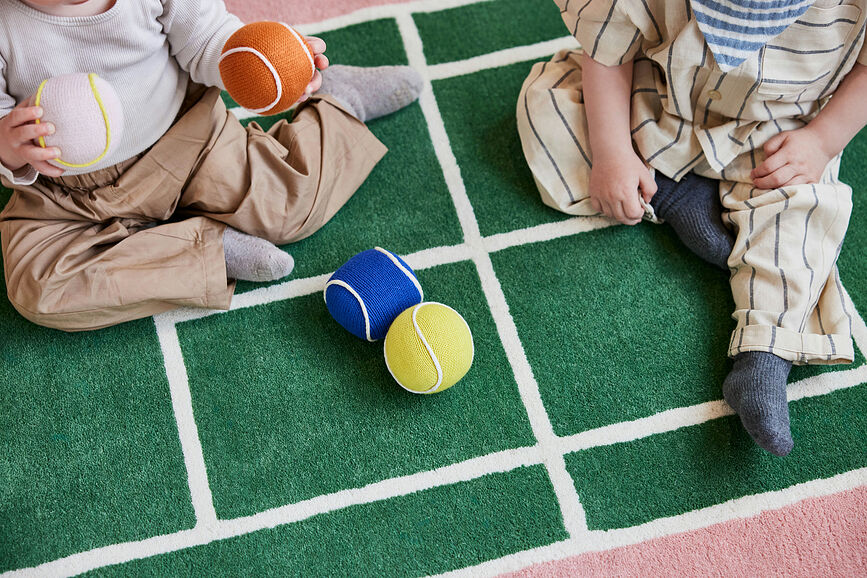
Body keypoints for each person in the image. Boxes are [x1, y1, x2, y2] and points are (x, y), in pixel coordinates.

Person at [517, 0, 867, 456]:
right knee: (545, 103)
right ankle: (669, 194)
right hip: (658, 102)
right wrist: (611, 153)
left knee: (805, 213)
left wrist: (822, 139)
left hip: (781, 132)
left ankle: (764, 357)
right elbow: (607, 51)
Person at [0, 0, 422, 331]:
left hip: (185, 140)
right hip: (64, 192)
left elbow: (209, 42)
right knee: (36, 288)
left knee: (288, 207)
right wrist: (8, 147)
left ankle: (341, 104)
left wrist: (262, 63)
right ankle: (206, 251)